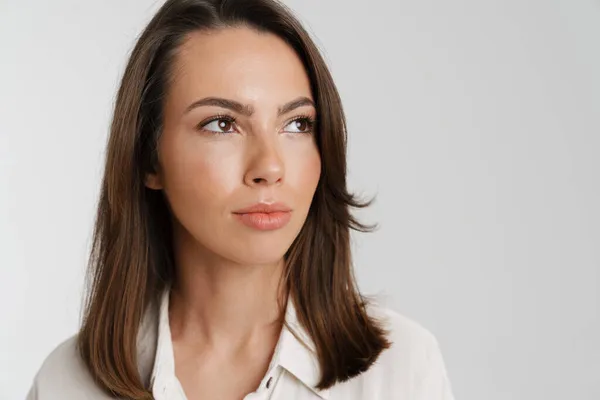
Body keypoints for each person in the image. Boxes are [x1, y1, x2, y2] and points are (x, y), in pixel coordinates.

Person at [26, 0, 455, 399]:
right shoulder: (66, 382)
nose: (269, 166)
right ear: (147, 158)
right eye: (221, 124)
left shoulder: (400, 370)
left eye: (297, 124)